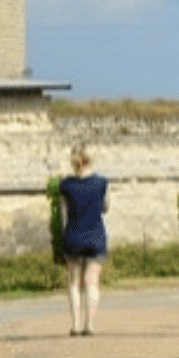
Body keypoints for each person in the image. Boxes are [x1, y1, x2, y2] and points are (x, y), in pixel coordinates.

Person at [57, 144, 110, 336]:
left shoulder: (65, 185)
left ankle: (75, 324)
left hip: (73, 235)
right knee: (92, 282)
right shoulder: (102, 183)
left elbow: (63, 215)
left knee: (73, 282)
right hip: (96, 235)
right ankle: (90, 324)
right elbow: (105, 208)